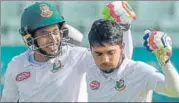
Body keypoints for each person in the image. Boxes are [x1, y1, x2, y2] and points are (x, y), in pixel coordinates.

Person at [1, 2, 88, 102]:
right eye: (44, 34)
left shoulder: (77, 56)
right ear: (30, 38)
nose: (53, 39)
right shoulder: (16, 65)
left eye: (55, 32)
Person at [86, 19, 179, 102]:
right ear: (90, 49)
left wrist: (165, 61)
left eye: (110, 52)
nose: (105, 59)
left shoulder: (140, 71)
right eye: (98, 53)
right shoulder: (85, 69)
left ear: (122, 47)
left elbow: (175, 91)